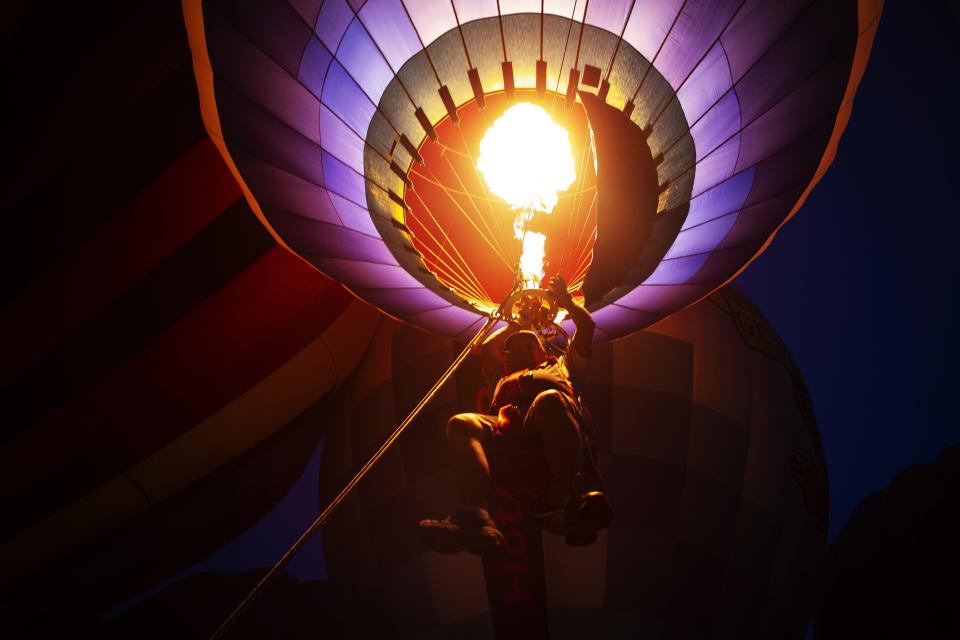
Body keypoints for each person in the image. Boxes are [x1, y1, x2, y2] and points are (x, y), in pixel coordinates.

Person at [418, 275, 611, 555]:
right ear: (507, 355)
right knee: (461, 423)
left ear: (542, 349)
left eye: (528, 344)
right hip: (514, 444)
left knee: (548, 399)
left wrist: (565, 300)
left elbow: (587, 326)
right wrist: (515, 318)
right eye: (516, 345)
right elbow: (489, 350)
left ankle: (574, 497)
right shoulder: (500, 378)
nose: (522, 347)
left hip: (554, 437)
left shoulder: (565, 366)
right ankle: (474, 516)